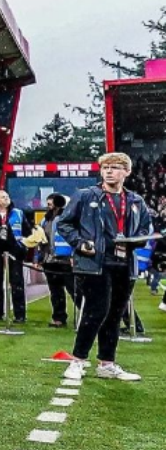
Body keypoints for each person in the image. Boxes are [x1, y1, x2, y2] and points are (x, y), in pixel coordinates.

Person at [57, 153, 153, 381]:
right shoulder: (85, 196)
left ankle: (106, 363)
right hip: (94, 263)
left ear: (127, 172)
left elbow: (145, 229)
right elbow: (64, 223)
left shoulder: (136, 201)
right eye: (106, 167)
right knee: (96, 310)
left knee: (115, 314)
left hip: (124, 263)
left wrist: (136, 240)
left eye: (116, 167)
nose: (109, 171)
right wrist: (80, 244)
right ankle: (78, 361)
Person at [0, 190, 32, 323]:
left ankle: (20, 315)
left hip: (14, 251)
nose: (6, 199)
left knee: (17, 283)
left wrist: (23, 245)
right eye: (3, 197)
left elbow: (28, 231)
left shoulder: (18, 213)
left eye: (7, 196)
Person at [38, 193, 77, 328]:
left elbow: (75, 238)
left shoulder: (70, 218)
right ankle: (59, 317)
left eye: (51, 203)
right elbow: (40, 239)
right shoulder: (45, 219)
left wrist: (73, 255)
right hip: (49, 260)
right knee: (55, 292)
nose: (48, 205)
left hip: (66, 260)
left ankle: (86, 316)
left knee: (74, 290)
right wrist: (39, 258)